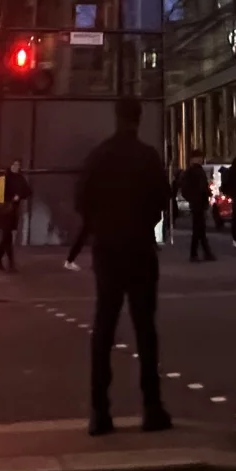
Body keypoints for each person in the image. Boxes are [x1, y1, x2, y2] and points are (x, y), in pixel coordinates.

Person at [68, 97, 173, 434]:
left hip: (108, 249)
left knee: (104, 328)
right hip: (140, 248)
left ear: (117, 117)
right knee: (145, 328)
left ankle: (100, 412)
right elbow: (162, 198)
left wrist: (101, 223)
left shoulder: (100, 156)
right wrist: (144, 220)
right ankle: (152, 407)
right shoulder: (148, 157)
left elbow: (81, 199)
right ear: (139, 119)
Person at [175, 149, 214, 261]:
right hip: (198, 203)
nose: (201, 160)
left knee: (199, 230)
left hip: (197, 203)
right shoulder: (194, 172)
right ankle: (197, 254)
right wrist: (201, 195)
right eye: (199, 157)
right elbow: (200, 187)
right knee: (198, 230)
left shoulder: (193, 171)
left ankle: (203, 253)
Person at [0, 160, 31, 271]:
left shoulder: (19, 179)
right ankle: (11, 263)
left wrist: (19, 196)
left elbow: (28, 191)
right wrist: (11, 198)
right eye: (14, 165)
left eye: (18, 165)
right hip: (5, 210)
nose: (16, 167)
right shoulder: (4, 178)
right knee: (7, 236)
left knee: (6, 237)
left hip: (12, 211)